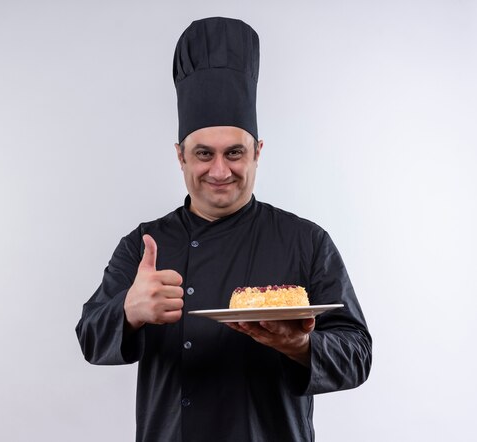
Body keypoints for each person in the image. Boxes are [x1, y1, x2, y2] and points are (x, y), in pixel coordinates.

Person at [76, 17, 372, 442]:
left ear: (257, 152)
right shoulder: (144, 245)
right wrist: (128, 311)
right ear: (180, 156)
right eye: (203, 154)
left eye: (235, 152)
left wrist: (299, 346)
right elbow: (89, 338)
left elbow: (358, 355)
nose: (220, 170)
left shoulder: (306, 241)